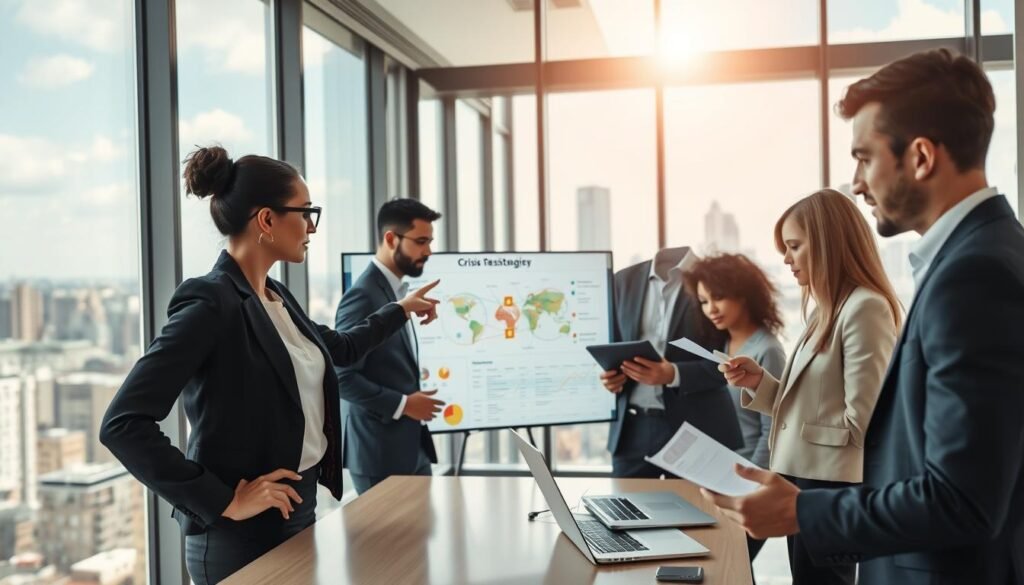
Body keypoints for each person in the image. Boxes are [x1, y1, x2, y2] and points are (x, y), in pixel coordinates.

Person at [708, 49, 1024, 585]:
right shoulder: (983, 254)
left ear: (920, 157)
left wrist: (802, 511)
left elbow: (961, 497)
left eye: (864, 157)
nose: (856, 183)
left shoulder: (973, 276)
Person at [99, 146, 440, 584]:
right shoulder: (210, 302)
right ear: (266, 220)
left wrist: (402, 308)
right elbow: (123, 424)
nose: (310, 227)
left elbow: (342, 348)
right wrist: (222, 500)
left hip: (297, 512)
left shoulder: (276, 296)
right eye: (305, 212)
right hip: (239, 534)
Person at [719, 190, 901, 585]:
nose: (786, 259)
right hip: (805, 479)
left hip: (829, 486)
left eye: (794, 247)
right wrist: (763, 385)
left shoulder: (864, 308)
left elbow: (867, 420)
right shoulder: (826, 309)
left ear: (829, 244)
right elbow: (818, 400)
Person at [601, 246, 742, 478]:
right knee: (626, 510)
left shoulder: (713, 280)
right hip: (632, 429)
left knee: (699, 511)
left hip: (697, 429)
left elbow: (730, 361)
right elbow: (614, 345)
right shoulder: (623, 280)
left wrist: (673, 374)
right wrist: (612, 378)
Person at [682, 253, 787, 562]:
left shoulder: (767, 350)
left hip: (746, 483)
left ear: (743, 294)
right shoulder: (720, 346)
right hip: (718, 475)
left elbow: (773, 431)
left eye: (718, 297)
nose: (710, 309)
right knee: (720, 568)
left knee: (731, 566)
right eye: (703, 301)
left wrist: (745, 486)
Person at [336, 198, 444, 494]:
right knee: (390, 543)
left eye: (430, 241)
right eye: (421, 241)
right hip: (379, 456)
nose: (428, 251)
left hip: (411, 449)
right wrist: (405, 404)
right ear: (390, 238)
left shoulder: (394, 292)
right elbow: (341, 377)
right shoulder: (363, 295)